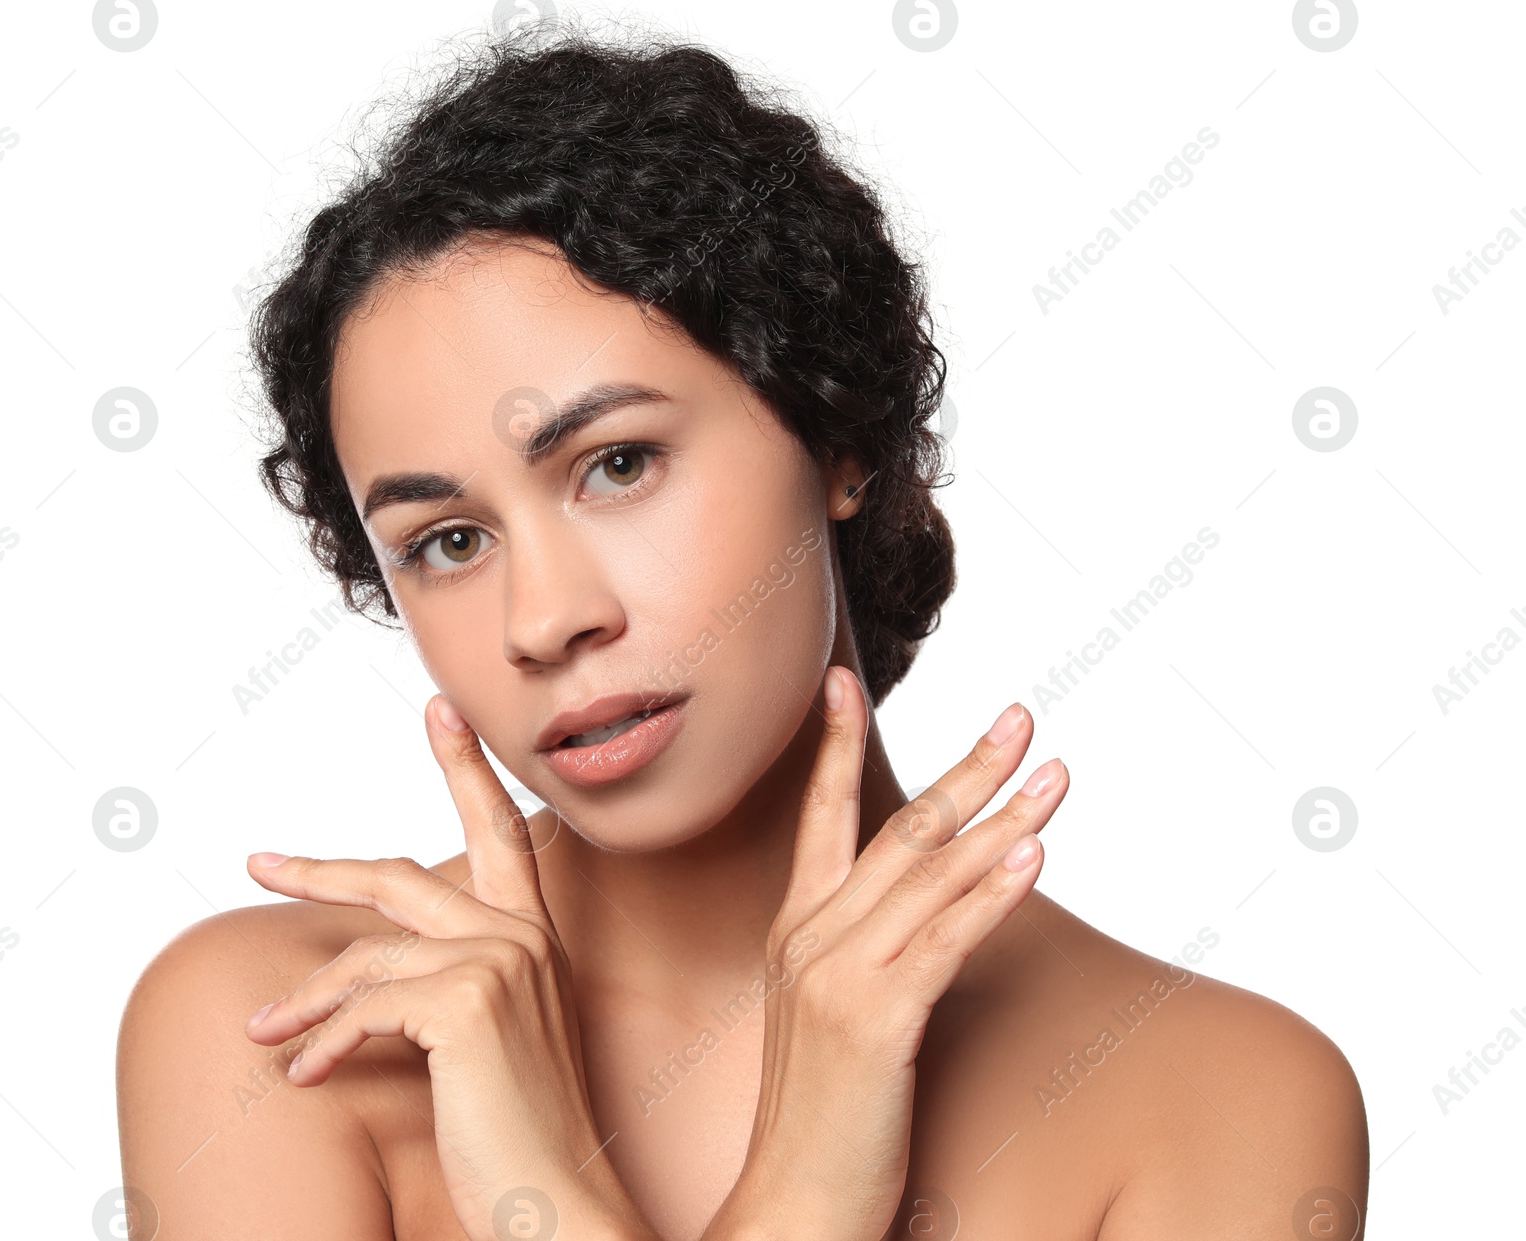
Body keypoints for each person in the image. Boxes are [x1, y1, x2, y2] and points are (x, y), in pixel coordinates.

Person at [116, 20, 1369, 1240]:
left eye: (617, 464)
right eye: (448, 541)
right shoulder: (285, 1031)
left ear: (840, 434)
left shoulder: (1221, 1098)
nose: (546, 619)